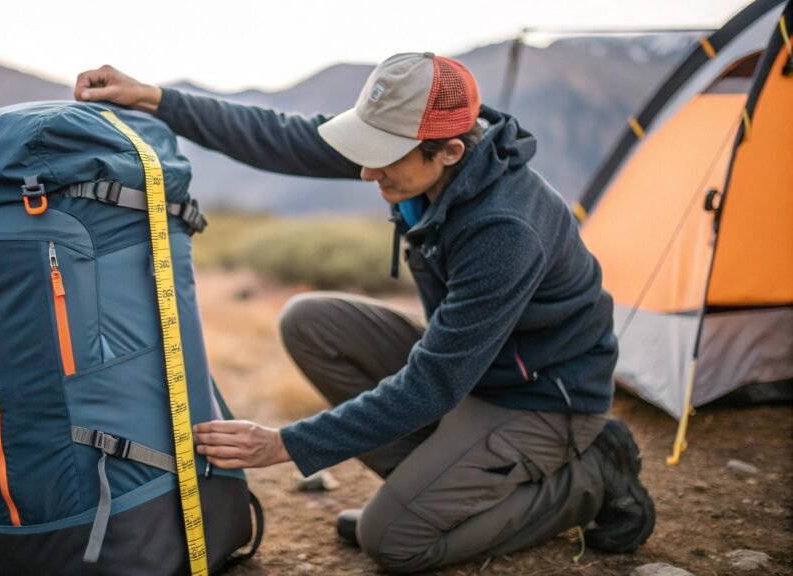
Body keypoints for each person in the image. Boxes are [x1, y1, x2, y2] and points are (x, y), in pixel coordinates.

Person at [74, 52, 656, 573]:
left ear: (449, 150)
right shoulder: (422, 145)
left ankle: (589, 477)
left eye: (383, 160)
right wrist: (155, 99)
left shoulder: (505, 229)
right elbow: (283, 137)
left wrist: (286, 445)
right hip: (482, 372)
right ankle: (425, 492)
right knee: (311, 322)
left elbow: (434, 383)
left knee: (395, 542)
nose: (364, 172)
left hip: (539, 400)